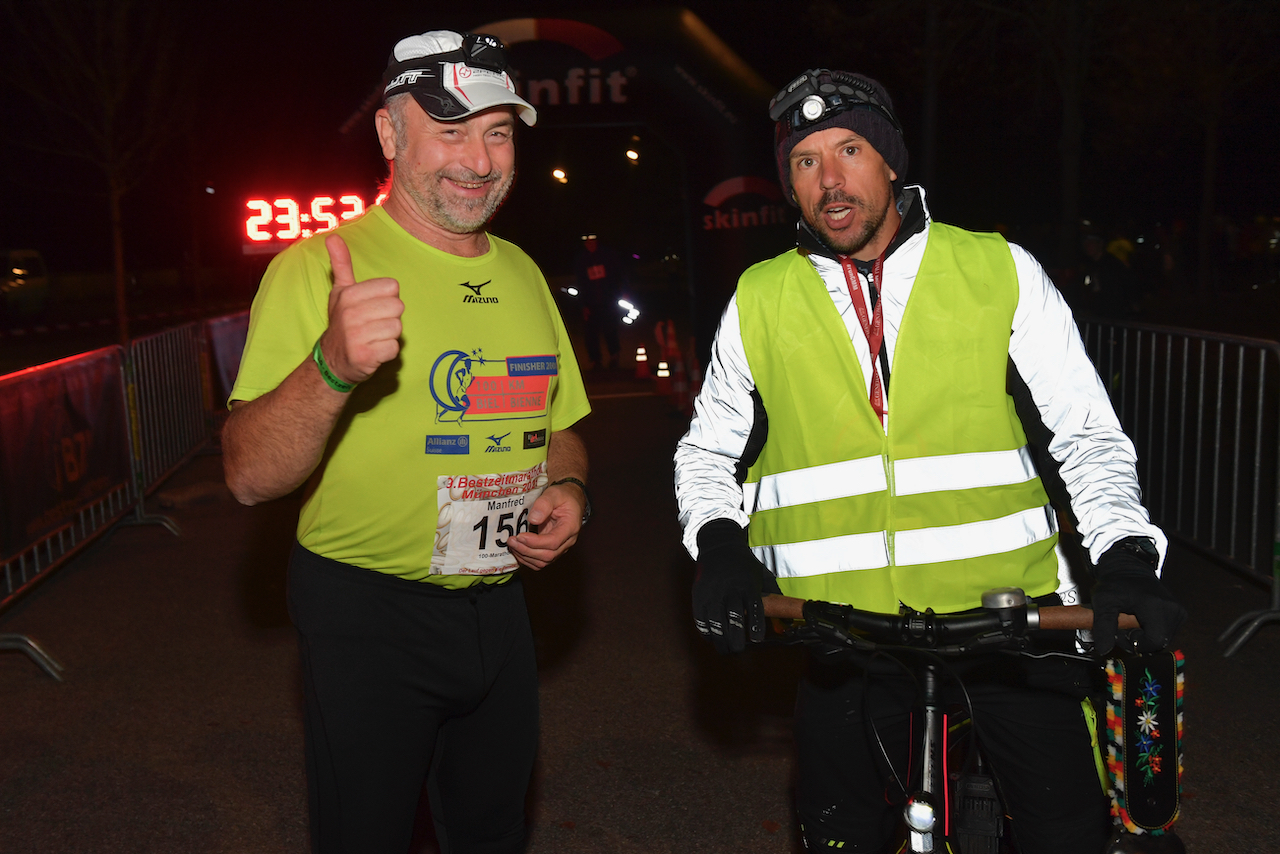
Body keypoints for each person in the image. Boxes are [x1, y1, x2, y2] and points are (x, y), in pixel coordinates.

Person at [673, 68, 1185, 853]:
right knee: (838, 836)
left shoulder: (999, 269)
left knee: (1069, 834)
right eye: (805, 162)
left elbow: (1086, 433)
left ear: (890, 161)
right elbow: (708, 449)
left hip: (1012, 629)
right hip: (841, 635)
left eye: (848, 150)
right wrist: (718, 546)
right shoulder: (760, 295)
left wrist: (1121, 553)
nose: (830, 180)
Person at [222, 29, 591, 854]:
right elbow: (247, 475)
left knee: (492, 836)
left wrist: (570, 491)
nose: (480, 159)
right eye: (451, 130)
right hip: (368, 617)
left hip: (501, 611)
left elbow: (557, 427)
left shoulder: (525, 272)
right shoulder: (317, 267)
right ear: (391, 137)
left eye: (497, 132)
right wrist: (331, 366)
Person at [572, 232, 626, 369]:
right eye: (587, 242)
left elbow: (617, 276)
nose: (590, 244)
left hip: (608, 301)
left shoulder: (607, 256)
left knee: (610, 330)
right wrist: (583, 305)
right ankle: (595, 360)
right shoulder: (582, 260)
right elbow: (581, 283)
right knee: (591, 334)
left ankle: (614, 356)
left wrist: (619, 294)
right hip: (591, 303)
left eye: (592, 241)